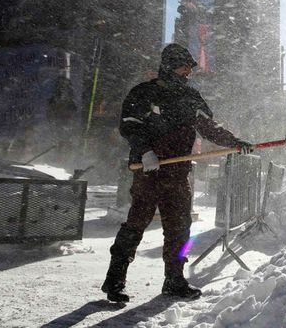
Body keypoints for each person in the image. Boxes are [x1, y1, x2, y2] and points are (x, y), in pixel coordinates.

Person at [101, 43, 254, 302]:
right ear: (170, 66)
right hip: (149, 171)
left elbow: (209, 127)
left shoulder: (191, 98)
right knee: (136, 224)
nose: (188, 73)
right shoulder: (144, 93)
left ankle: (174, 280)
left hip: (177, 175)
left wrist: (234, 142)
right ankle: (114, 280)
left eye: (189, 69)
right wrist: (145, 151)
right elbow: (130, 126)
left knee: (180, 228)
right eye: (184, 67)